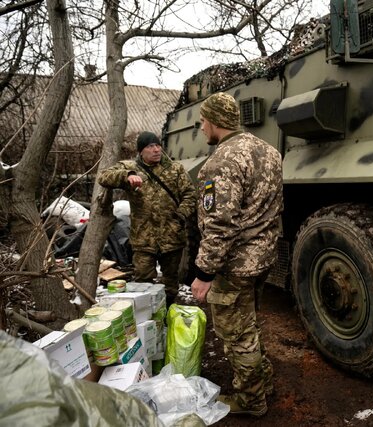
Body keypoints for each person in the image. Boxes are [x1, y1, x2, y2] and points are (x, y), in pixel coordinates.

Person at [190, 92, 284, 417]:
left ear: (214, 121)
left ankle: (250, 400)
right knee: (250, 324)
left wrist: (203, 274)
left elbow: (219, 226)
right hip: (263, 258)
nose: (202, 128)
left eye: (203, 120)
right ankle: (263, 381)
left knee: (236, 334)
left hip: (235, 266)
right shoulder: (269, 152)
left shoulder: (220, 163)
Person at [98, 131, 197, 305]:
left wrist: (180, 215)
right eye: (151, 146)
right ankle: (148, 315)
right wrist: (126, 175)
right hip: (144, 239)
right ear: (141, 151)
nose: (156, 150)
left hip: (172, 237)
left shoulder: (175, 169)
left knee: (171, 281)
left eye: (158, 145)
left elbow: (190, 195)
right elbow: (104, 177)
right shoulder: (131, 167)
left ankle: (168, 311)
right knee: (143, 281)